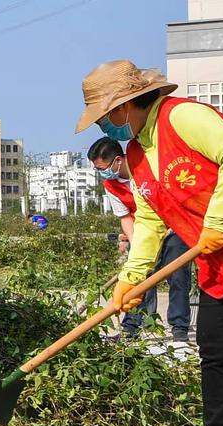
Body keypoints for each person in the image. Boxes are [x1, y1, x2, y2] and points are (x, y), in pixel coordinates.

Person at [76, 59, 223, 426]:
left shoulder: (183, 116)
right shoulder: (135, 153)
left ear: (126, 105)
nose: (105, 126)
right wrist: (133, 277)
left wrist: (218, 220)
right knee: (215, 350)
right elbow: (149, 220)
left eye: (106, 116)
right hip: (219, 261)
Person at [87, 136, 191, 342]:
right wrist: (137, 247)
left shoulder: (146, 169)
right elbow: (125, 217)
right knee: (139, 281)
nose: (102, 174)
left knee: (178, 277)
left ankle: (179, 329)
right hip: (144, 234)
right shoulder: (111, 185)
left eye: (102, 168)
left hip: (173, 230)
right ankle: (131, 328)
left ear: (117, 160)